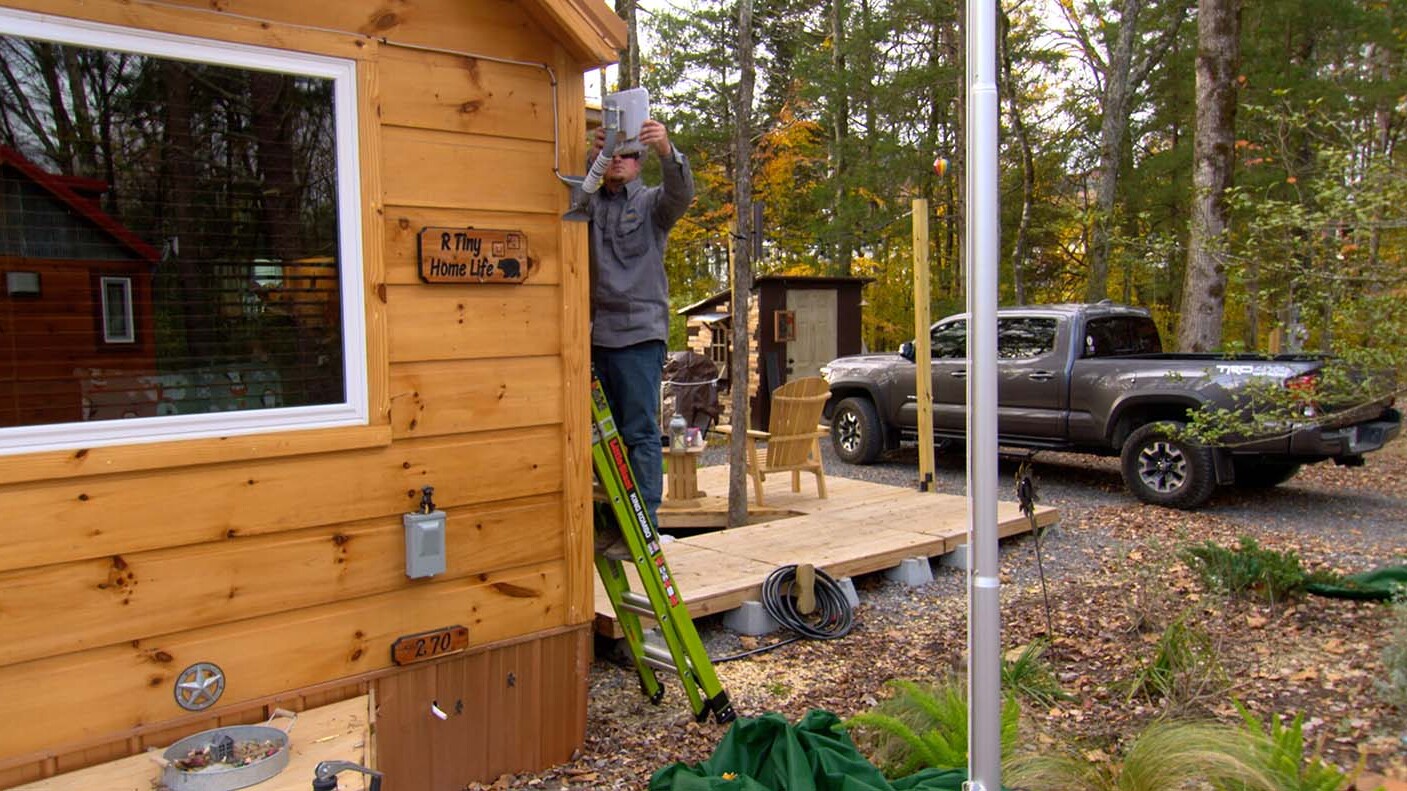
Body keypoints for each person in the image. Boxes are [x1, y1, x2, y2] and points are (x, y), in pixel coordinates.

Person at [580, 118, 695, 558]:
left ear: (639, 161)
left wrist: (667, 149)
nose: (619, 161)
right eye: (613, 153)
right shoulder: (590, 200)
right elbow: (569, 200)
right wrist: (593, 160)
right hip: (594, 336)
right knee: (598, 437)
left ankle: (644, 527)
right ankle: (613, 522)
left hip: (639, 337)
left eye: (628, 154)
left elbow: (681, 194)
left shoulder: (650, 205)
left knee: (639, 432)